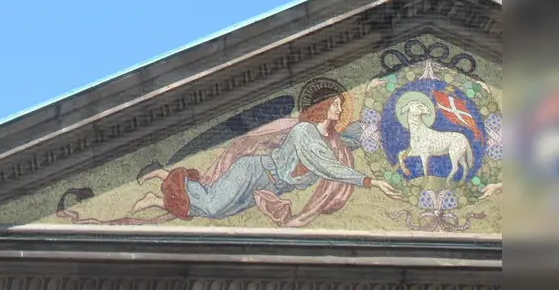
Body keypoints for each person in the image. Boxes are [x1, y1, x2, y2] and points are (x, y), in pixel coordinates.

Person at [62, 91, 400, 228]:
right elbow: (326, 166)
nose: (339, 109)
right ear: (320, 109)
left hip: (262, 188)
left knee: (212, 207)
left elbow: (356, 137)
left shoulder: (334, 142)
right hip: (253, 173)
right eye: (334, 105)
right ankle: (160, 181)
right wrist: (371, 182)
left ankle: (160, 191)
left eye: (341, 105)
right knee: (210, 207)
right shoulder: (305, 134)